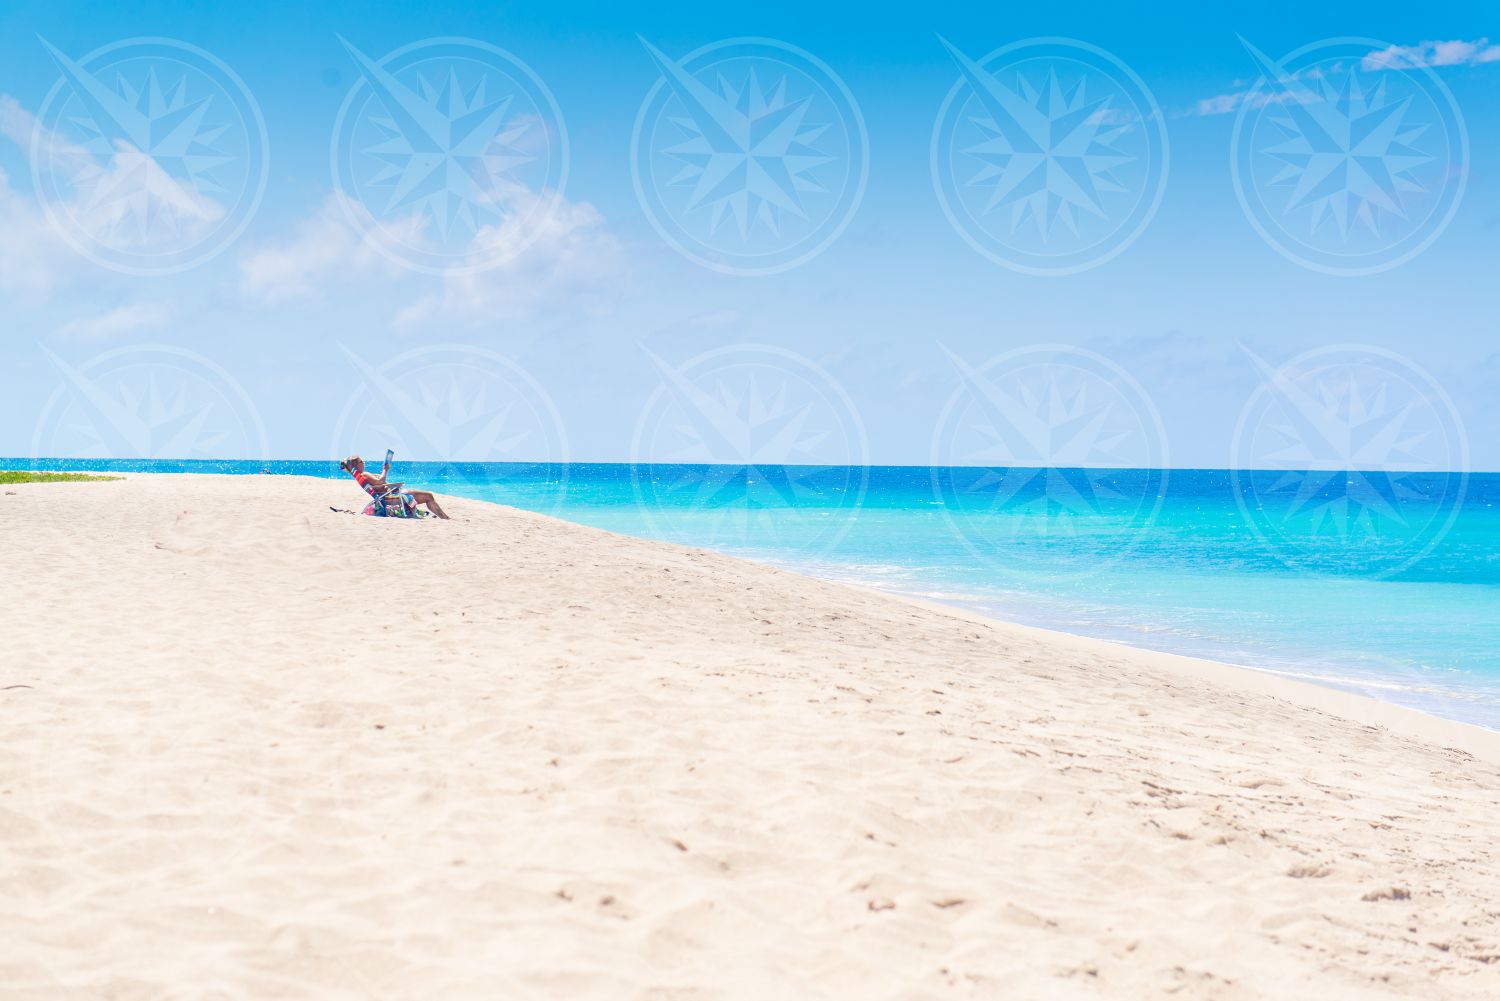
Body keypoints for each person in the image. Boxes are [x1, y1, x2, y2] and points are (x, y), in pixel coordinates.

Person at [339, 454, 451, 520]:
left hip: (388, 495)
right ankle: (445, 518)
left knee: (427, 496)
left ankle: (443, 517)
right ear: (356, 464)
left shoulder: (361, 475)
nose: (363, 462)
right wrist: (385, 469)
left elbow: (378, 485)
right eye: (361, 461)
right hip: (393, 496)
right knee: (429, 496)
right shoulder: (364, 474)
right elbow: (380, 481)